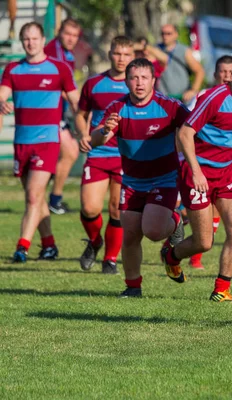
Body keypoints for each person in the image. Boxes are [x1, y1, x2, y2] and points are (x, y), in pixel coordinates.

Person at [162, 53, 232, 303]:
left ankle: (221, 289)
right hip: (198, 172)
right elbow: (185, 134)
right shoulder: (213, 98)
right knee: (204, 242)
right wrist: (196, 170)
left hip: (227, 172)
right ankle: (172, 256)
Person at [89, 58, 188, 298]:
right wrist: (104, 131)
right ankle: (133, 287)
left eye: (144, 78)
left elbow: (194, 128)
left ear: (153, 80)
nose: (139, 83)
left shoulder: (170, 106)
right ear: (126, 81)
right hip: (132, 181)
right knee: (131, 233)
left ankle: (175, 222)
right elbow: (95, 140)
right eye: (134, 78)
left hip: (163, 178)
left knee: (153, 232)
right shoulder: (117, 108)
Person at [0, 22, 79, 262]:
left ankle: (21, 247)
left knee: (33, 197)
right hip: (21, 142)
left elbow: (77, 103)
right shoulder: (13, 69)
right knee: (35, 197)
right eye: (26, 39)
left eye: (34, 38)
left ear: (43, 39)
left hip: (47, 141)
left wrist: (86, 131)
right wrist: (2, 103)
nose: (30, 43)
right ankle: (49, 245)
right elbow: (1, 95)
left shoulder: (60, 69)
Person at [75, 36, 135, 274]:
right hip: (98, 152)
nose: (121, 59)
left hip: (125, 156)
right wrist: (83, 134)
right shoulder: (94, 84)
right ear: (110, 54)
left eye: (126, 54)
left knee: (116, 209)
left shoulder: (138, 84)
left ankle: (110, 259)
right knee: (89, 209)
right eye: (117, 53)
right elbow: (81, 114)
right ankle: (95, 241)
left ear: (133, 57)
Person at [187, 55, 232, 270]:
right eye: (222, 71)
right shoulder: (202, 97)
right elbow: (185, 131)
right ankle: (178, 237)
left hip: (227, 165)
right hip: (200, 164)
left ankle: (196, 257)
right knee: (194, 212)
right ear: (215, 74)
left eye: (230, 72)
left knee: (216, 210)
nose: (226, 76)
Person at [44, 17, 82, 215]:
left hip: (58, 112)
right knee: (70, 152)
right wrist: (77, 103)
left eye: (75, 35)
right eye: (67, 33)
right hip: (48, 114)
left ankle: (51, 200)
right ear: (59, 32)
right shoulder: (53, 52)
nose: (71, 38)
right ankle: (52, 200)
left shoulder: (68, 54)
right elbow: (53, 84)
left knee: (65, 153)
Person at [156, 23, 205, 107]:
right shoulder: (156, 49)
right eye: (163, 33)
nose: (165, 36)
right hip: (162, 100)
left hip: (181, 100)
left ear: (176, 34)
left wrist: (193, 90)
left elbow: (199, 71)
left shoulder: (184, 51)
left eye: (169, 33)